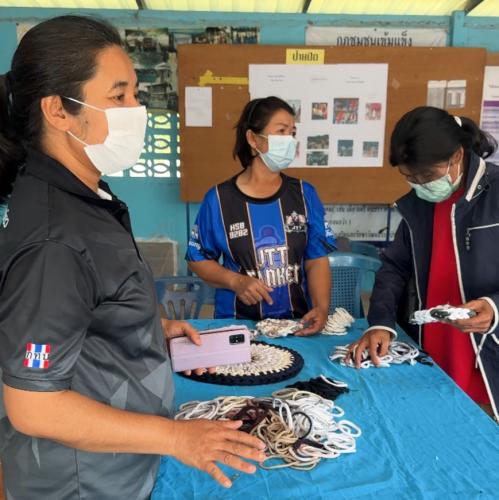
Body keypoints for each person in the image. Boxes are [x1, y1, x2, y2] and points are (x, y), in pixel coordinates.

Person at [0, 16, 265, 499]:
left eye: (136, 94)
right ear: (58, 111)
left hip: (119, 466)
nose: (137, 110)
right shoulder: (54, 240)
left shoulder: (86, 196)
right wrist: (178, 438)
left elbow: (82, 306)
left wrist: (144, 326)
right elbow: (33, 406)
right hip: (81, 483)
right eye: (118, 96)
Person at [348, 106, 499, 421]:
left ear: (457, 156)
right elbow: (394, 266)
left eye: (426, 176)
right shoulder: (420, 205)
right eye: (410, 177)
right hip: (433, 353)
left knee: (482, 441)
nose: (419, 185)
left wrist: (495, 307)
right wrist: (381, 322)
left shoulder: (495, 195)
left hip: (487, 357)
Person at [186, 96, 336, 335]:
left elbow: (317, 259)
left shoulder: (304, 194)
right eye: (281, 131)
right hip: (237, 326)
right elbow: (197, 258)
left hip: (297, 325)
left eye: (293, 132)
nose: (290, 140)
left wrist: (321, 307)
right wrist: (236, 281)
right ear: (253, 139)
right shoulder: (219, 199)